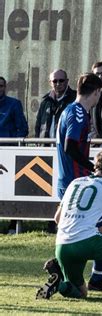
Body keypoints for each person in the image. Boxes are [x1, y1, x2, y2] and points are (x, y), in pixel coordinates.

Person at [36, 150, 102, 301]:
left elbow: (57, 218)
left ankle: (59, 284)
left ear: (95, 167)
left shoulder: (75, 182)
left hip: (62, 247)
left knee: (81, 293)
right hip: (85, 243)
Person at [56, 73, 102, 292]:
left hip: (74, 184)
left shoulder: (73, 111)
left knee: (86, 230)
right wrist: (93, 169)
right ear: (97, 92)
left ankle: (70, 273)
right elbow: (69, 146)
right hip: (78, 186)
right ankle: (79, 276)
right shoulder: (78, 114)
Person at [0, 76, 28, 234]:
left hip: (9, 153)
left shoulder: (13, 104)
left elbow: (22, 128)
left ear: (5, 87)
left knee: (11, 188)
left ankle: (13, 224)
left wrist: (12, 144)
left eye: (1, 85)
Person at [35, 69, 76, 139]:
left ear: (67, 81)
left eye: (61, 80)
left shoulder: (75, 99)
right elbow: (38, 125)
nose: (58, 84)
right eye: (54, 81)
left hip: (65, 145)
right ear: (50, 83)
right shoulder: (45, 102)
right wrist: (38, 142)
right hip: (45, 146)